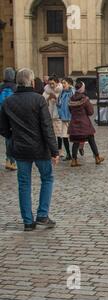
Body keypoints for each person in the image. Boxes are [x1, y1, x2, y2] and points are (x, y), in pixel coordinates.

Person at [0, 68, 59, 231]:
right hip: (40, 148)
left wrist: (13, 138)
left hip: (20, 149)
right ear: (32, 82)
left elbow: (3, 129)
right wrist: (55, 151)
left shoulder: (8, 102)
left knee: (24, 184)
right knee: (47, 178)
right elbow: (47, 128)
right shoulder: (39, 100)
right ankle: (42, 215)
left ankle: (27, 221)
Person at [68, 81, 105, 167]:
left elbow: (70, 110)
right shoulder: (85, 99)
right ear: (83, 89)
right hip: (84, 124)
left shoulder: (71, 99)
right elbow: (91, 112)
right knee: (91, 140)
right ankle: (97, 157)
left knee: (76, 142)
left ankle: (74, 160)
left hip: (74, 123)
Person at [0, 67, 17, 171]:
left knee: (7, 138)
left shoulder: (0, 87)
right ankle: (12, 161)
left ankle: (8, 159)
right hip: (13, 116)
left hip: (1, 115)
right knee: (13, 139)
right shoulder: (16, 87)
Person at [42, 76, 63, 157]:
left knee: (59, 134)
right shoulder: (46, 91)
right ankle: (52, 150)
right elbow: (42, 103)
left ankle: (60, 150)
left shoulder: (61, 90)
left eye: (53, 83)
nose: (51, 85)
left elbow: (63, 103)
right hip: (49, 115)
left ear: (57, 83)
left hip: (58, 115)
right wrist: (48, 98)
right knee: (51, 134)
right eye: (50, 84)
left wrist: (56, 98)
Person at [56, 77, 75, 161]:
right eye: (62, 83)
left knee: (75, 137)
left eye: (64, 83)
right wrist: (59, 112)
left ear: (69, 84)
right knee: (64, 136)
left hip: (72, 118)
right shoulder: (62, 93)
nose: (63, 85)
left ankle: (75, 154)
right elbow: (59, 104)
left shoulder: (73, 93)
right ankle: (68, 154)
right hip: (64, 118)